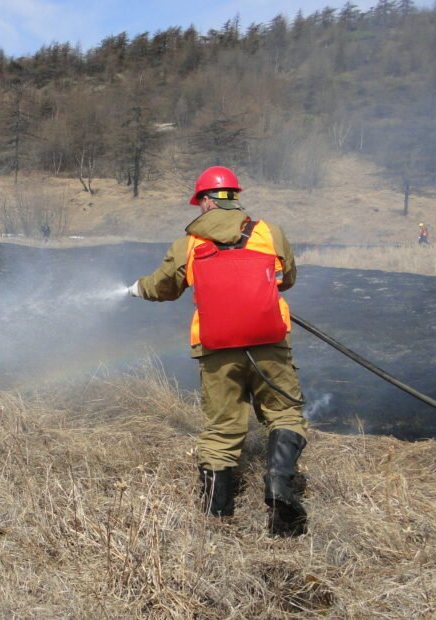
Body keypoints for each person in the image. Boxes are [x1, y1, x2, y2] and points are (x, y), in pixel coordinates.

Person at [128, 166, 309, 537]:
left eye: (200, 202)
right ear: (235, 198)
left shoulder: (189, 244)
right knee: (284, 413)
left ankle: (216, 520)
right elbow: (286, 278)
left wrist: (135, 289)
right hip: (269, 342)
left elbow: (163, 287)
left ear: (206, 201)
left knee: (222, 429)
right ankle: (278, 485)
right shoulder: (268, 232)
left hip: (216, 348)